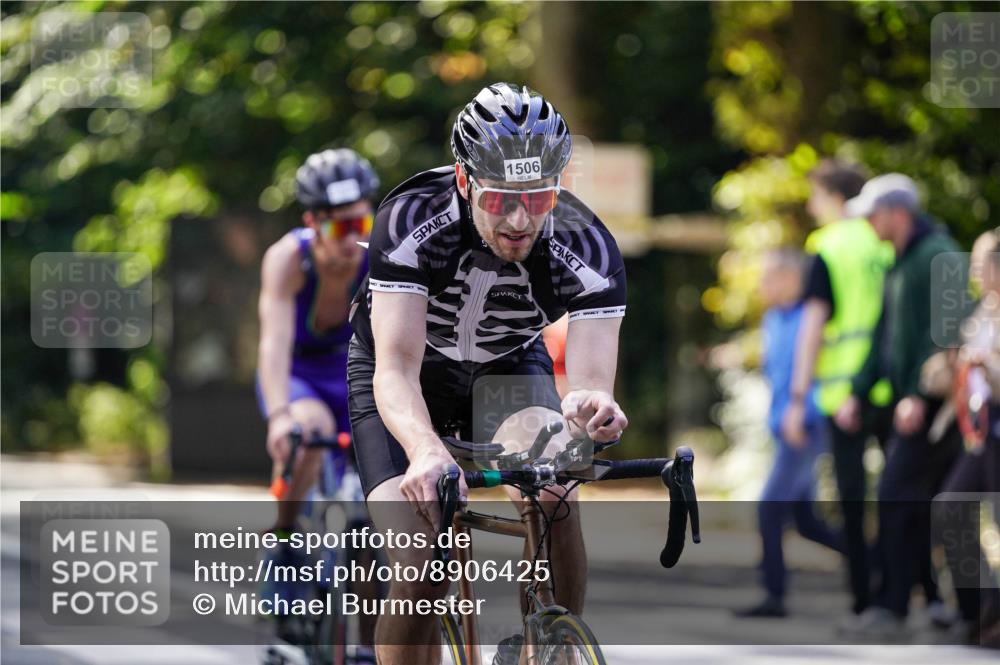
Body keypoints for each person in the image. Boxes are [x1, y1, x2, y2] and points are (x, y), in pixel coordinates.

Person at [347, 83, 628, 665]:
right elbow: (395, 368)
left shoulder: (587, 243)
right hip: (404, 374)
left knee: (555, 490)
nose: (521, 219)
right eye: (501, 200)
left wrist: (592, 405)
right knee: (423, 554)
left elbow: (592, 380)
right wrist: (425, 449)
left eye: (540, 198)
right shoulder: (409, 218)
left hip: (504, 367)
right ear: (463, 180)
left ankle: (552, 646)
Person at [256, 148, 379, 657]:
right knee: (308, 433)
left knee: (371, 523)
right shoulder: (289, 259)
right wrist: (281, 416)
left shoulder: (379, 255)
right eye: (337, 228)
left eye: (361, 223)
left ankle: (370, 648)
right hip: (302, 376)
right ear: (312, 222)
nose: (351, 239)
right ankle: (285, 538)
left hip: (356, 371)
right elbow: (274, 343)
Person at [835, 174, 967, 639]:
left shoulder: (940, 255)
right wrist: (857, 388)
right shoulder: (900, 261)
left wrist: (917, 392)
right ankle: (933, 607)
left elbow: (949, 335)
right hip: (910, 405)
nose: (869, 223)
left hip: (937, 410)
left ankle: (897, 608)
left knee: (901, 497)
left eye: (874, 214)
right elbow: (883, 335)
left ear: (898, 212)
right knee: (915, 504)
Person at [782, 159, 894, 616]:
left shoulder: (828, 244)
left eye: (815, 196)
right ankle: (902, 589)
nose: (811, 206)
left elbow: (813, 323)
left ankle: (863, 600)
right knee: (898, 492)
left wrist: (796, 395)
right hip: (890, 385)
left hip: (841, 387)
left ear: (833, 197)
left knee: (852, 498)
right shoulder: (883, 241)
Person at [735, 248, 842, 618]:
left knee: (769, 509)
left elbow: (815, 370)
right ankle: (877, 562)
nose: (762, 285)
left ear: (789, 278)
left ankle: (774, 596)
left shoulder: (810, 317)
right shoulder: (772, 318)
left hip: (806, 425)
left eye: (768, 277)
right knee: (807, 522)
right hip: (785, 427)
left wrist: (800, 411)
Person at [935, 229, 1000, 646]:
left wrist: (989, 368)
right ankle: (980, 609)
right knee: (951, 507)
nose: (975, 273)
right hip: (981, 435)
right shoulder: (984, 311)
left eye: (981, 264)